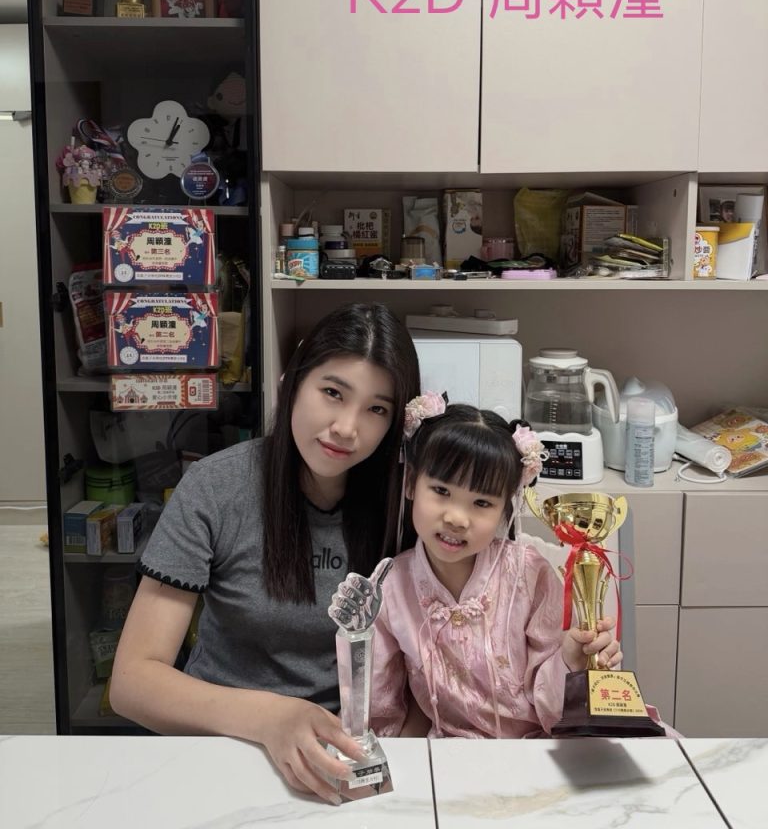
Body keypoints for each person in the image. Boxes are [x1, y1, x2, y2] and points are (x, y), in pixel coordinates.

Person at [110, 302, 420, 803]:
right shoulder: (215, 488)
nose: (347, 427)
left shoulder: (408, 504)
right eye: (333, 392)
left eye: (377, 409)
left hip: (347, 757)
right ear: (293, 382)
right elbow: (132, 682)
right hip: (223, 744)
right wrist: (271, 716)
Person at [330, 400, 629, 739]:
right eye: (441, 491)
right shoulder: (391, 588)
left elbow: (552, 701)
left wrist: (571, 660)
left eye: (482, 503)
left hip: (536, 747)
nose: (457, 518)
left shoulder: (529, 573)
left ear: (505, 507)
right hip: (449, 753)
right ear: (411, 482)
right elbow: (380, 703)